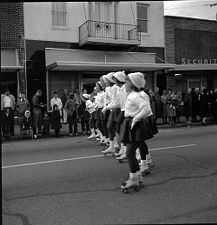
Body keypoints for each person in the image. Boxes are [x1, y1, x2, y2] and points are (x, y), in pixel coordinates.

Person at [119, 72, 155, 191]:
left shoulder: (136, 95)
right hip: (132, 124)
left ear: (133, 83)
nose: (125, 83)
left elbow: (147, 110)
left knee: (130, 153)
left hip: (135, 125)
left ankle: (134, 178)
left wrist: (135, 119)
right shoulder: (134, 94)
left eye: (127, 81)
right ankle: (137, 177)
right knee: (131, 152)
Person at [101, 72, 120, 154]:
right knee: (109, 126)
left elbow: (116, 101)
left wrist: (107, 107)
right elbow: (111, 100)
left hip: (118, 109)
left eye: (106, 80)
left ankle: (121, 147)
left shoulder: (115, 88)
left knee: (119, 129)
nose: (105, 82)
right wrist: (106, 106)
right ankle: (113, 146)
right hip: (113, 109)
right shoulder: (109, 88)